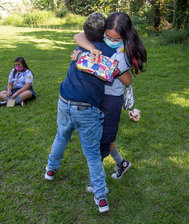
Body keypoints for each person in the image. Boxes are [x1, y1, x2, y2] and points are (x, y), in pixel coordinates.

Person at [44, 12, 116, 213]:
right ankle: (101, 197)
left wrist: (87, 51)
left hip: (65, 100)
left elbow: (79, 35)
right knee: (92, 153)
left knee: (61, 136)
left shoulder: (81, 45)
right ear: (106, 32)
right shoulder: (108, 52)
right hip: (87, 109)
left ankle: (51, 169)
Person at [73, 12, 147, 188]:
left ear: (125, 36)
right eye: (107, 36)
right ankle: (122, 163)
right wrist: (91, 49)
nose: (110, 41)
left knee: (102, 141)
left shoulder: (124, 54)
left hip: (111, 100)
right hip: (97, 95)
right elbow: (78, 36)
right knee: (104, 137)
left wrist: (81, 57)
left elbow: (112, 75)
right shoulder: (101, 42)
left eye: (116, 39)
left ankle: (95, 178)